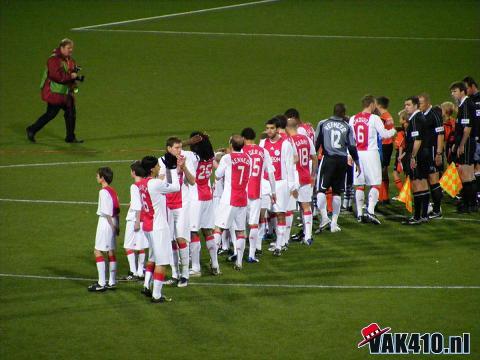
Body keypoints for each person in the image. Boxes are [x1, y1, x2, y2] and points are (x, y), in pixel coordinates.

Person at [349, 95, 396, 224]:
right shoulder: (374, 118)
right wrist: (393, 130)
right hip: (371, 153)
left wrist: (349, 155)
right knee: (375, 183)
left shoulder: (352, 119)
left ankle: (359, 214)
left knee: (359, 185)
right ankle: (370, 211)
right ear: (371, 104)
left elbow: (350, 139)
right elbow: (385, 134)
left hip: (357, 154)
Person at [141, 155, 181, 303]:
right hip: (158, 227)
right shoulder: (155, 183)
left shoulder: (143, 183)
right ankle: (156, 295)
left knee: (153, 257)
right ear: (152, 169)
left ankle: (147, 285)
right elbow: (176, 187)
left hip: (149, 226)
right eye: (158, 165)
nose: (159, 167)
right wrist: (173, 169)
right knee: (162, 262)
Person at [26, 39, 83, 143]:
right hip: (55, 93)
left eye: (71, 48)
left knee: (71, 113)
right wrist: (71, 76)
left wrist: (75, 79)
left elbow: (69, 74)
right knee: (51, 114)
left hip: (65, 93)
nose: (71, 50)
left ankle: (70, 137)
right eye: (68, 48)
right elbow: (56, 76)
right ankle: (32, 129)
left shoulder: (70, 60)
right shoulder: (53, 60)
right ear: (61, 48)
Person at [316, 103, 360, 232]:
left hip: (328, 159)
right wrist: (357, 162)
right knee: (337, 192)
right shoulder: (347, 126)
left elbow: (316, 142)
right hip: (342, 161)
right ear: (343, 113)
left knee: (321, 190)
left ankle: (324, 218)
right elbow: (352, 147)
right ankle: (334, 224)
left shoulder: (323, 124)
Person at [160, 137, 196, 288]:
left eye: (180, 147)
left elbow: (192, 181)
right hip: (167, 205)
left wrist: (184, 168)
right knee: (170, 240)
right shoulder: (161, 161)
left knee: (181, 239)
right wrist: (174, 171)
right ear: (169, 148)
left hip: (182, 205)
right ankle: (175, 274)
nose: (179, 150)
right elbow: (159, 180)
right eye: (176, 148)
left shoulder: (185, 159)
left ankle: (185, 275)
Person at [213, 135, 251, 270]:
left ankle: (214, 263)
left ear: (231, 145)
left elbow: (218, 175)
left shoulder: (227, 158)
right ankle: (239, 262)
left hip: (229, 199)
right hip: (242, 198)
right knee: (240, 231)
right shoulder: (248, 158)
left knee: (218, 229)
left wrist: (215, 162)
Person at [260, 118, 297, 256]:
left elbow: (289, 165)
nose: (269, 131)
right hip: (266, 183)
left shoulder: (285, 144)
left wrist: (291, 185)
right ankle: (276, 240)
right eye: (267, 128)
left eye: (272, 128)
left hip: (281, 183)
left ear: (277, 129)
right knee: (269, 213)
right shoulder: (263, 143)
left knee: (280, 213)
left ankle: (280, 245)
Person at [187, 132, 221, 276]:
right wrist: (206, 139)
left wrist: (188, 141)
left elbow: (174, 150)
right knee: (208, 231)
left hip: (196, 197)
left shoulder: (192, 157)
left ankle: (195, 268)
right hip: (208, 196)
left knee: (193, 232)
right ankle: (215, 265)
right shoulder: (210, 156)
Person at [240, 127, 276, 263]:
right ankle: (251, 254)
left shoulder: (241, 151)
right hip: (256, 192)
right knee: (254, 224)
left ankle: (238, 255)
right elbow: (271, 174)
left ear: (243, 138)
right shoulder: (263, 151)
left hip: (241, 192)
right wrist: (273, 191)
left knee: (240, 225)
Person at [285, 119, 317, 243]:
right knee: (306, 206)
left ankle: (285, 239)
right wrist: (313, 175)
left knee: (289, 208)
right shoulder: (307, 139)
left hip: (293, 177)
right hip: (306, 176)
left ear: (287, 128)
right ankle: (308, 236)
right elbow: (314, 158)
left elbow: (289, 160)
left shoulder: (288, 141)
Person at [88, 167, 120, 292]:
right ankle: (112, 281)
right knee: (111, 252)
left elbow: (106, 213)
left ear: (102, 178)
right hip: (113, 223)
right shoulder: (113, 191)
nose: (96, 177)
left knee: (97, 251)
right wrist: (117, 227)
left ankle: (101, 283)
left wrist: (112, 228)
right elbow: (117, 211)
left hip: (106, 224)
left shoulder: (103, 192)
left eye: (98, 176)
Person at [402, 96, 430, 225]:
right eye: (405, 105)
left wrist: (412, 156)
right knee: (423, 183)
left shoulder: (415, 120)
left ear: (415, 106)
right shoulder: (421, 117)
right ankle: (424, 215)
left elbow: (417, 140)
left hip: (418, 155)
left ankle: (417, 216)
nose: (406, 107)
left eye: (408, 105)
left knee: (416, 184)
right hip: (424, 154)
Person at [450, 82, 478, 212]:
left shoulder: (466, 105)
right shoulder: (464, 105)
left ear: (462, 91)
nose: (453, 94)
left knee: (465, 173)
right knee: (469, 174)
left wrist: (461, 145)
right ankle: (470, 203)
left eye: (455, 91)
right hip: (466, 142)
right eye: (452, 92)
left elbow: (467, 128)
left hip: (466, 143)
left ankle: (469, 204)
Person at [418, 94, 444, 218]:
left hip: (433, 150)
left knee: (434, 180)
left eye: (421, 103)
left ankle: (437, 210)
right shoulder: (421, 115)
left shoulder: (434, 114)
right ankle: (429, 207)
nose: (419, 106)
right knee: (426, 180)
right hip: (424, 151)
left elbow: (440, 134)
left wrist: (438, 153)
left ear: (428, 103)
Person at [122, 161, 148, 281]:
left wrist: (137, 221)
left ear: (133, 172)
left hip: (134, 219)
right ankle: (140, 272)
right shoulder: (146, 183)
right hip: (145, 218)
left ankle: (133, 272)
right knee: (141, 246)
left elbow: (137, 205)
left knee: (128, 246)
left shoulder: (134, 186)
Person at [463, 76, 480, 202]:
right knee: (474, 166)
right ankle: (474, 195)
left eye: (466, 88)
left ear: (473, 86)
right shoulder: (468, 101)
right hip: (473, 138)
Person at [376, 96, 395, 204]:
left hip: (383, 146)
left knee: (379, 172)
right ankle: (385, 196)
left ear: (379, 105)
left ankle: (381, 197)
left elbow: (380, 133)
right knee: (384, 171)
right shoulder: (389, 116)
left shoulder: (382, 118)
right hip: (389, 145)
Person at [392, 110, 408, 197]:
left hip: (402, 154)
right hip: (404, 153)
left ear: (404, 120)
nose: (399, 120)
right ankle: (404, 193)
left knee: (396, 173)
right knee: (405, 174)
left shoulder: (403, 132)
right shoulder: (406, 127)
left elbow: (401, 145)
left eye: (400, 118)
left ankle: (404, 194)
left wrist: (400, 155)